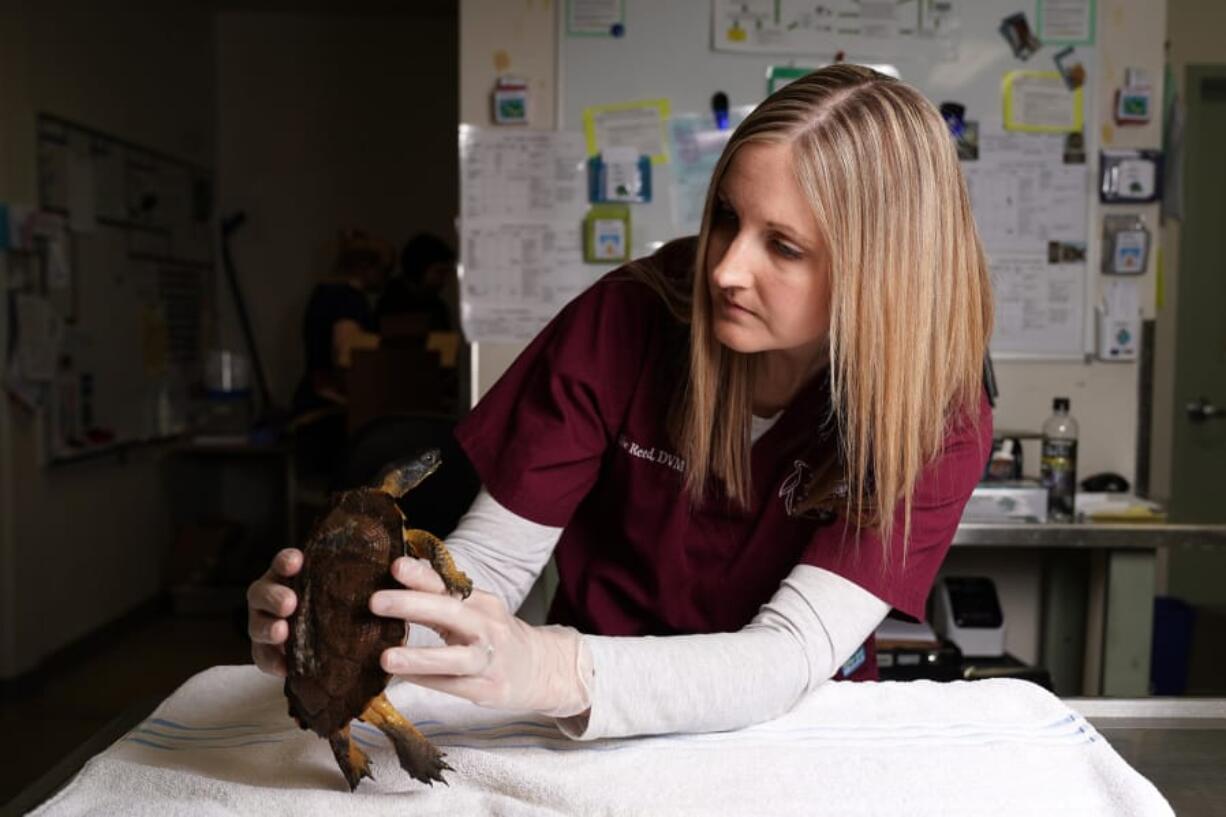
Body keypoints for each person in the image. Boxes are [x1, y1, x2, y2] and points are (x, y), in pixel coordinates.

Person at [251, 65, 994, 740]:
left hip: (783, 732)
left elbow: (787, 653)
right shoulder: (628, 317)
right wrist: (350, 635)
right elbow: (491, 570)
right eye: (728, 218)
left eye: (785, 247)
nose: (726, 269)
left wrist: (549, 667)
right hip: (582, 725)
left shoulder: (935, 411)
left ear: (879, 275)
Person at [292, 228, 395, 413]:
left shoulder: (324, 293)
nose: (386, 278)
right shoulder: (348, 300)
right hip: (328, 405)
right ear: (366, 267)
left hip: (315, 397)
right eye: (384, 270)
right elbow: (348, 355)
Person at [376, 232, 456, 333]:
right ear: (419, 269)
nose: (445, 280)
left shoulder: (437, 307)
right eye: (440, 272)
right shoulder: (391, 303)